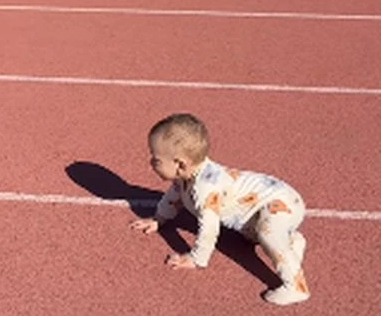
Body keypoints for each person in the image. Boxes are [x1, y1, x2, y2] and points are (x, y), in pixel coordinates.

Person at [129, 113, 310, 306]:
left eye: (156, 160)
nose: (150, 163)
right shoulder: (186, 176)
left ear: (181, 164)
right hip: (258, 207)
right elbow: (174, 197)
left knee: (268, 234)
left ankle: (297, 287)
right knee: (252, 234)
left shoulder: (205, 188)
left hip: (281, 202)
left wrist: (196, 258)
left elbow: (209, 227)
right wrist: (159, 219)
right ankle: (291, 241)